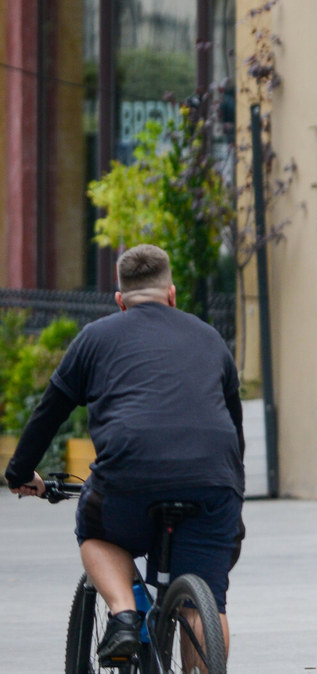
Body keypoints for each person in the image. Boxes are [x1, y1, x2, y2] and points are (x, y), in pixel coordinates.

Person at [6, 244, 245, 666]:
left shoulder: (95, 338)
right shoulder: (210, 338)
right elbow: (235, 427)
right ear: (171, 294)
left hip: (131, 479)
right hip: (213, 482)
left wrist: (20, 472)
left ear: (120, 302)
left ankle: (123, 614)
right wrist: (231, 495)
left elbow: (49, 413)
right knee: (208, 605)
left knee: (96, 533)